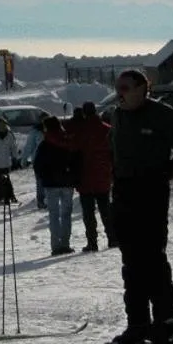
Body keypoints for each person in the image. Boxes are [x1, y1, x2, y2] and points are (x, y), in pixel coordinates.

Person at [105, 68, 173, 344]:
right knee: (131, 261)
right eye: (117, 87)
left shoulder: (158, 113)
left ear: (142, 88)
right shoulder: (117, 115)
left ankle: (165, 321)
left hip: (151, 192)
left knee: (152, 257)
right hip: (124, 193)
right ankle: (137, 324)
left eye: (125, 87)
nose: (120, 93)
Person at [34, 116, 78, 256]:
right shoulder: (67, 140)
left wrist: (43, 178)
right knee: (66, 214)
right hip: (67, 182)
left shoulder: (45, 144)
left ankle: (56, 246)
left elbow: (37, 165)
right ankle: (65, 243)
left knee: (53, 215)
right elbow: (76, 159)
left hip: (51, 184)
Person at [75, 102, 116, 251]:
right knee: (106, 210)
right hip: (103, 176)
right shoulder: (107, 130)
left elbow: (73, 151)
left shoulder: (80, 131)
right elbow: (114, 153)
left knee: (88, 213)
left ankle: (92, 242)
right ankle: (113, 238)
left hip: (85, 178)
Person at [22, 122, 46, 209]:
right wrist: (24, 159)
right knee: (40, 181)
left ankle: (48, 199)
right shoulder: (35, 133)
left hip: (50, 160)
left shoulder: (53, 131)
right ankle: (41, 200)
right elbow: (29, 146)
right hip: (38, 160)